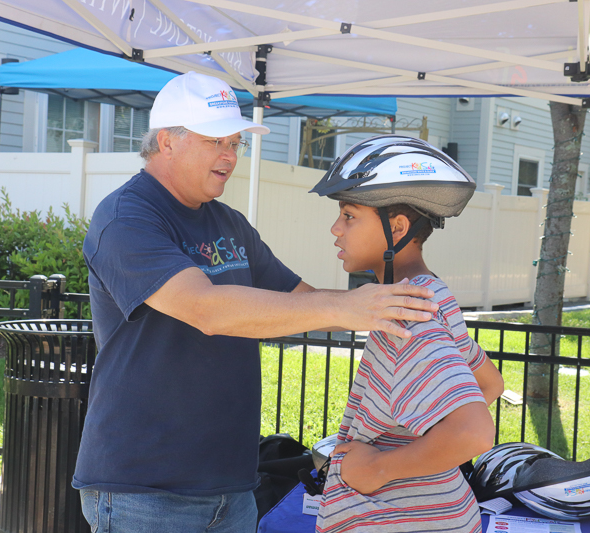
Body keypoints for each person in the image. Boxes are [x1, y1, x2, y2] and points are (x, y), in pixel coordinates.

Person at [72, 72, 442, 533]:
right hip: (145, 488)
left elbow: (300, 301)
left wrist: (394, 310)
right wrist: (350, 307)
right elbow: (206, 309)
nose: (230, 155)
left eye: (235, 142)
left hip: (232, 486)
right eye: (216, 141)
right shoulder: (127, 216)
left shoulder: (229, 222)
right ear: (166, 142)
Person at [310, 135, 505, 533]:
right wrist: (419, 439)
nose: (336, 229)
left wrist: (379, 468)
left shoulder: (408, 317)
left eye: (349, 215)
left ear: (396, 227)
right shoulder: (430, 294)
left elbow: (474, 431)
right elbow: (490, 382)